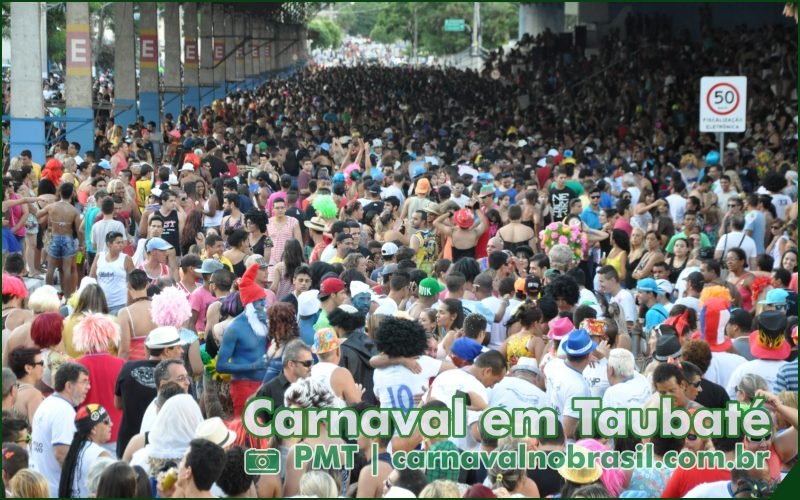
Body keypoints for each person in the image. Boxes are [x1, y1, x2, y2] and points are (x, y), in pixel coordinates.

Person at [114, 326, 184, 458]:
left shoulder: (127, 368)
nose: (182, 351)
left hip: (127, 443)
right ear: (166, 351)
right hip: (160, 449)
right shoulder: (180, 376)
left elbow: (117, 404)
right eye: (178, 347)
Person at [29, 362, 91, 497]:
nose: (88, 387)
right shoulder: (64, 411)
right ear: (69, 386)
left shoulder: (48, 403)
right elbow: (62, 454)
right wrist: (76, 487)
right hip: (58, 490)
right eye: (84, 382)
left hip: (45, 487)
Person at [216, 264, 269, 416]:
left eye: (264, 302)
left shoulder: (263, 323)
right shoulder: (234, 328)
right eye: (260, 303)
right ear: (250, 305)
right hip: (243, 387)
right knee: (247, 434)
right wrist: (253, 366)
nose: (264, 307)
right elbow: (221, 365)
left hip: (265, 385)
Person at [37, 182, 83, 297]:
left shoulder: (51, 206)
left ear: (60, 193)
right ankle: (66, 296)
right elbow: (79, 230)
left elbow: (37, 214)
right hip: (68, 239)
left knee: (51, 268)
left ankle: (48, 295)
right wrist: (82, 244)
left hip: (55, 237)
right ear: (72, 194)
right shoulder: (74, 211)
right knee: (66, 269)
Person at [58, 404, 113, 498]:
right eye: (106, 422)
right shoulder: (101, 455)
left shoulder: (75, 450)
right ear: (94, 429)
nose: (111, 424)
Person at [90, 231, 135, 315]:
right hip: (100, 304)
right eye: (118, 243)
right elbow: (91, 278)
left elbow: (134, 281)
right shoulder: (99, 257)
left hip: (120, 304)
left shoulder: (126, 259)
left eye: (122, 242)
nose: (121, 245)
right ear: (109, 244)